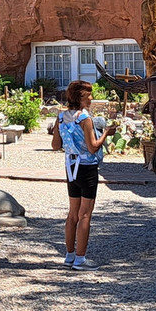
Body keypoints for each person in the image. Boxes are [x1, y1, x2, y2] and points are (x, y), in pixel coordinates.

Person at [51, 80, 116, 270]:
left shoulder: (61, 117)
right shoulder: (85, 118)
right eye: (88, 95)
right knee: (85, 214)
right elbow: (93, 147)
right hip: (87, 167)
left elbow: (55, 145)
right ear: (80, 97)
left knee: (73, 214)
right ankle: (80, 259)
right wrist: (106, 133)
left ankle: (69, 255)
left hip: (70, 167)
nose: (91, 98)